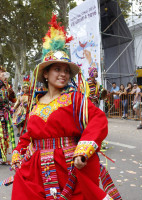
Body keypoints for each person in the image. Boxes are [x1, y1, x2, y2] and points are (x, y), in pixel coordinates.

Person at [11, 15, 121, 200]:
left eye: (66, 71)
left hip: (68, 166)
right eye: (57, 69)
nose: (63, 74)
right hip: (37, 170)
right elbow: (28, 135)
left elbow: (98, 120)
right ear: (45, 73)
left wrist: (83, 151)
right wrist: (17, 154)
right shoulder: (36, 104)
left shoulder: (75, 99)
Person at [0, 66, 16, 163]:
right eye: (1, 73)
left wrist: (12, 93)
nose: (4, 75)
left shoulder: (7, 86)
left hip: (5, 114)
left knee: (5, 136)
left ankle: (2, 157)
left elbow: (14, 100)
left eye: (4, 73)